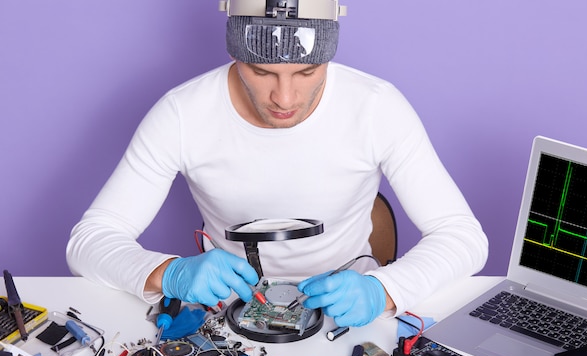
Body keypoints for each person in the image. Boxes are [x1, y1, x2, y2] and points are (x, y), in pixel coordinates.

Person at [66, 0, 488, 328]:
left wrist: (385, 290)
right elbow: (89, 242)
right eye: (261, 71)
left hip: (349, 308)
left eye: (306, 72)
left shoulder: (377, 107)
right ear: (235, 54)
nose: (284, 99)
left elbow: (463, 237)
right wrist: (170, 273)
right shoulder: (181, 113)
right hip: (228, 308)